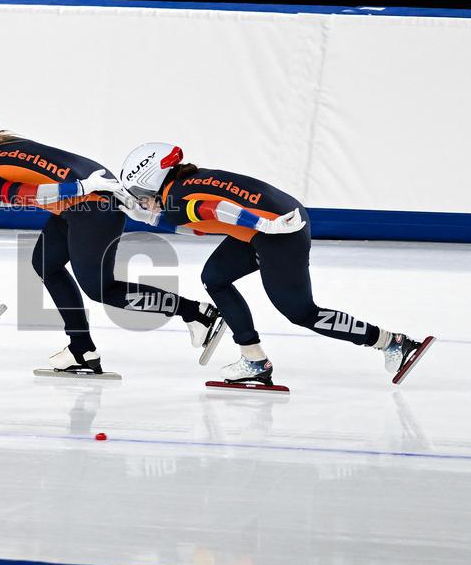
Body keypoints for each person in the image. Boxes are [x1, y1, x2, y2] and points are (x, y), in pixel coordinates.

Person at [0, 108, 220, 374]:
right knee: (45, 263)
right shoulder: (2, 148)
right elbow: (17, 186)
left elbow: (31, 196)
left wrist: (82, 187)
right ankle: (81, 348)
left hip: (89, 209)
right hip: (85, 203)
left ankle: (197, 313)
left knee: (101, 289)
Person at [116, 142, 434, 386]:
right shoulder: (188, 181)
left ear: (154, 181)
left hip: (279, 233)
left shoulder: (178, 200)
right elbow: (202, 220)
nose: (142, 199)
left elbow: (219, 209)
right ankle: (253, 358)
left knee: (301, 312)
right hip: (273, 224)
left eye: (142, 193)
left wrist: (266, 226)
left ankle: (393, 343)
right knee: (215, 276)